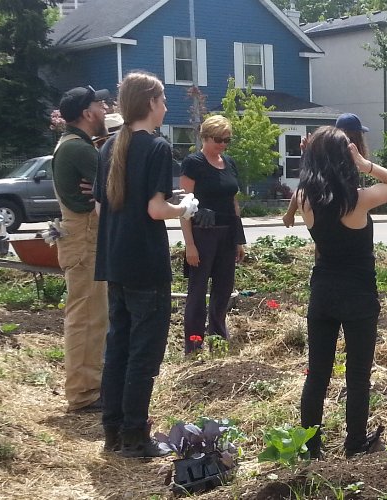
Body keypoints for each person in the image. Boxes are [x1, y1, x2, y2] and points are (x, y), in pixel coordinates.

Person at [93, 71, 202, 457]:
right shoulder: (156, 148)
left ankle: (113, 432)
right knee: (144, 354)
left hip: (114, 261)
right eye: (164, 101)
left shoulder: (109, 147)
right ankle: (136, 437)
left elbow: (100, 206)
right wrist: (182, 208)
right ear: (151, 103)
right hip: (145, 264)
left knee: (117, 348)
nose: (167, 106)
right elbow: (155, 209)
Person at [296, 127, 387, 458]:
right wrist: (364, 163)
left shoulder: (305, 197)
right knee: (358, 376)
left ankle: (310, 445)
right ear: (346, 157)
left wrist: (310, 153)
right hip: (358, 294)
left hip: (323, 292)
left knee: (317, 373)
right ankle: (355, 442)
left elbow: (310, 178)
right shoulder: (358, 198)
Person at [51, 85, 112, 414]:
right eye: (100, 105)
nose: (105, 109)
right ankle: (84, 393)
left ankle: (88, 386)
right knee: (87, 318)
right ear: (88, 113)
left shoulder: (76, 145)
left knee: (91, 316)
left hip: (82, 236)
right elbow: (118, 186)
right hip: (85, 237)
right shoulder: (79, 150)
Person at [179, 115, 246, 354]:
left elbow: (233, 202)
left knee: (224, 288)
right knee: (197, 290)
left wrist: (239, 239)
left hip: (227, 233)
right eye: (218, 139)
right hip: (202, 233)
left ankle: (217, 337)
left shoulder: (229, 162)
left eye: (226, 140)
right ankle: (194, 344)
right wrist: (190, 245)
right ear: (205, 137)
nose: (223, 144)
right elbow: (184, 206)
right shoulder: (193, 163)